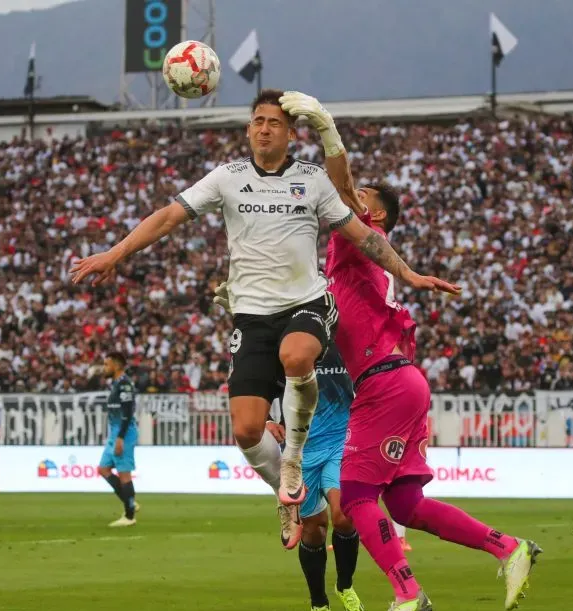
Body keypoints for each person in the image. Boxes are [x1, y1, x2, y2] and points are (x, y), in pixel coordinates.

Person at [70, 89, 451, 516]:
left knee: (297, 355)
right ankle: (293, 503)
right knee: (248, 429)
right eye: (258, 121)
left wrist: (408, 274)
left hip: (306, 302)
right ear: (248, 129)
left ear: (291, 134)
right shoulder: (226, 177)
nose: (264, 129)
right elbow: (168, 217)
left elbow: (363, 236)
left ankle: (293, 457)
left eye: (274, 123)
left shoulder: (312, 179)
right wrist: (115, 253)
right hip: (251, 315)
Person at [279, 91, 540, 611]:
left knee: (355, 495)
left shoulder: (356, 244)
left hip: (384, 383)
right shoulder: (360, 255)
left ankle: (406, 592)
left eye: (361, 198)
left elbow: (341, 188)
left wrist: (326, 129)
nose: (349, 199)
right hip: (402, 381)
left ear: (371, 214)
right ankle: (508, 547)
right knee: (405, 504)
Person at [214, 284, 364, 611]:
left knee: (344, 516)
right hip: (302, 448)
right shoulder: (289, 342)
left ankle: (345, 586)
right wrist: (268, 419)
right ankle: (318, 602)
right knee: (314, 528)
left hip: (341, 441)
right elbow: (260, 376)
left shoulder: (343, 340)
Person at [97, 352, 140, 528]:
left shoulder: (125, 385)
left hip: (124, 433)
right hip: (114, 433)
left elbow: (128, 413)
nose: (104, 368)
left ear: (116, 366)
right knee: (103, 469)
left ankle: (129, 516)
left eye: (106, 364)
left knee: (124, 474)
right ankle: (130, 501)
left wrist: (121, 438)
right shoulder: (116, 384)